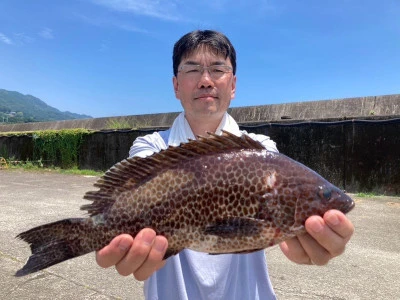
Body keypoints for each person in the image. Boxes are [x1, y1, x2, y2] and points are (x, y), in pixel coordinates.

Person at [96, 30, 355, 299]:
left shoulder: (262, 151)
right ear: (175, 85)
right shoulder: (151, 148)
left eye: (218, 69)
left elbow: (270, 223)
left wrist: (303, 244)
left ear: (233, 85)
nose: (206, 81)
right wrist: (106, 230)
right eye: (193, 69)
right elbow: (128, 194)